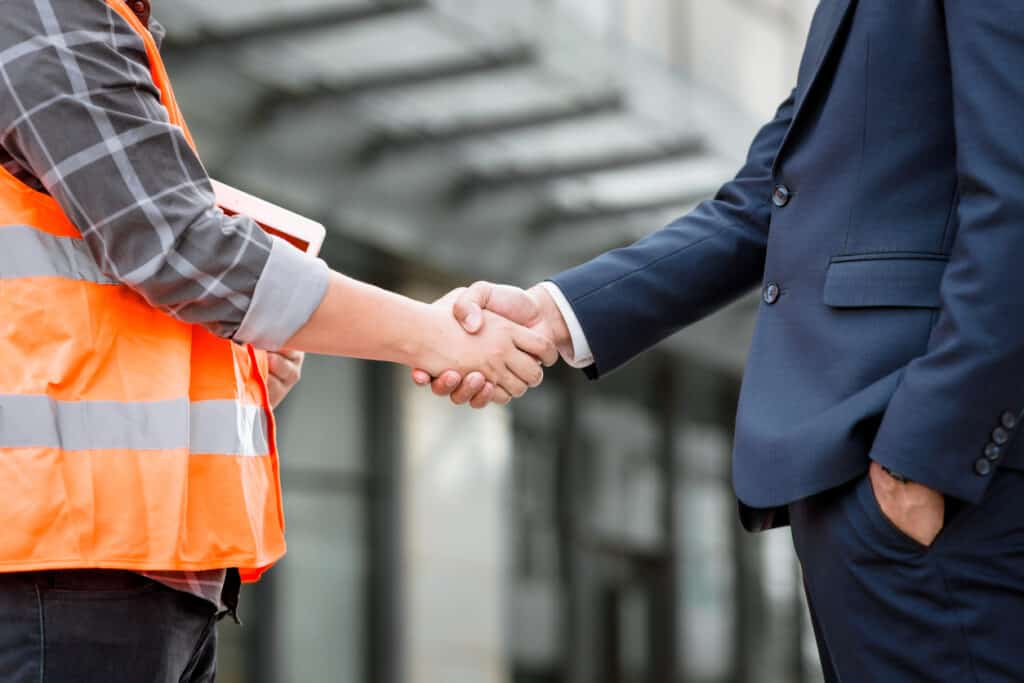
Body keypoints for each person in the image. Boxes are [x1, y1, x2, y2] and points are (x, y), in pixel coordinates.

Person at [417, 1, 1024, 679]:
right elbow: (764, 199)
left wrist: (923, 460)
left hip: (941, 494)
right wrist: (552, 315)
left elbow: (1016, 197)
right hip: (880, 494)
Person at [0, 1, 553, 681]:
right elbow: (178, 245)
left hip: (111, 566)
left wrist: (241, 369)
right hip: (66, 567)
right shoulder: (43, 12)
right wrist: (435, 336)